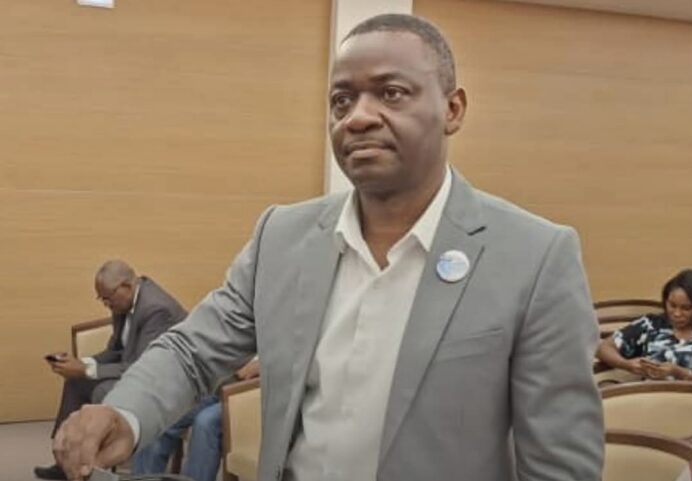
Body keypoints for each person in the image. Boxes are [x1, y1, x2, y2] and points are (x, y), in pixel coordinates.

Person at [53, 14, 603, 481]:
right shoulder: (282, 236)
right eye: (342, 100)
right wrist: (125, 413)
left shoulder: (535, 256)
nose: (358, 116)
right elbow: (193, 351)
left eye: (391, 93)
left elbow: (559, 464)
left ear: (453, 109)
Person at [34, 260, 187, 480]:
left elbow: (142, 366)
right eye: (101, 298)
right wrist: (81, 363)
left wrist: (87, 370)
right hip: (136, 372)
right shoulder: (123, 303)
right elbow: (115, 351)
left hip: (159, 382)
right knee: (76, 383)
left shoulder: (156, 309)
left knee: (102, 390)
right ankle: (65, 459)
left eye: (107, 297)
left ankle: (94, 465)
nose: (105, 303)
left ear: (126, 286)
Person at [130, 357, 260, 481]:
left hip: (255, 392)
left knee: (206, 422)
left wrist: (260, 365)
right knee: (161, 413)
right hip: (221, 381)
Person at [596, 269, 692, 380]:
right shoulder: (651, 325)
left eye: (686, 308)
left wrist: (679, 372)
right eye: (672, 305)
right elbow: (603, 348)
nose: (677, 313)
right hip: (649, 390)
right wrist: (627, 365)